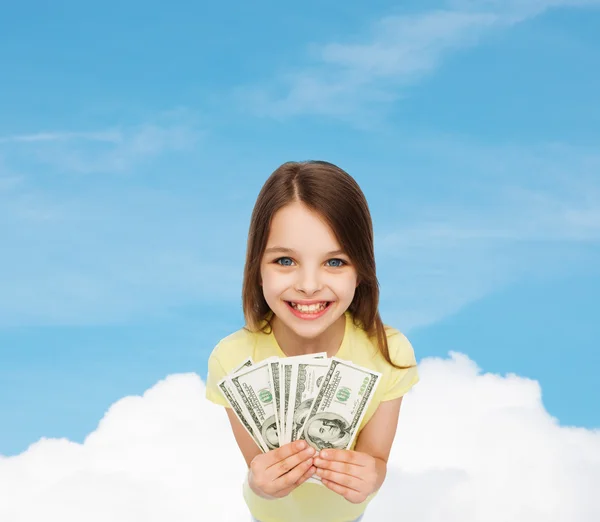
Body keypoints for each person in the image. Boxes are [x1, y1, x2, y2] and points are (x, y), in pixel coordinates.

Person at [205, 160, 420, 522]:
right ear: (257, 268)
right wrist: (261, 484)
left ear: (362, 270)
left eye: (334, 262)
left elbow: (376, 462)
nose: (308, 284)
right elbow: (257, 469)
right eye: (285, 260)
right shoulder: (232, 359)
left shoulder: (390, 353)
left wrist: (371, 475)